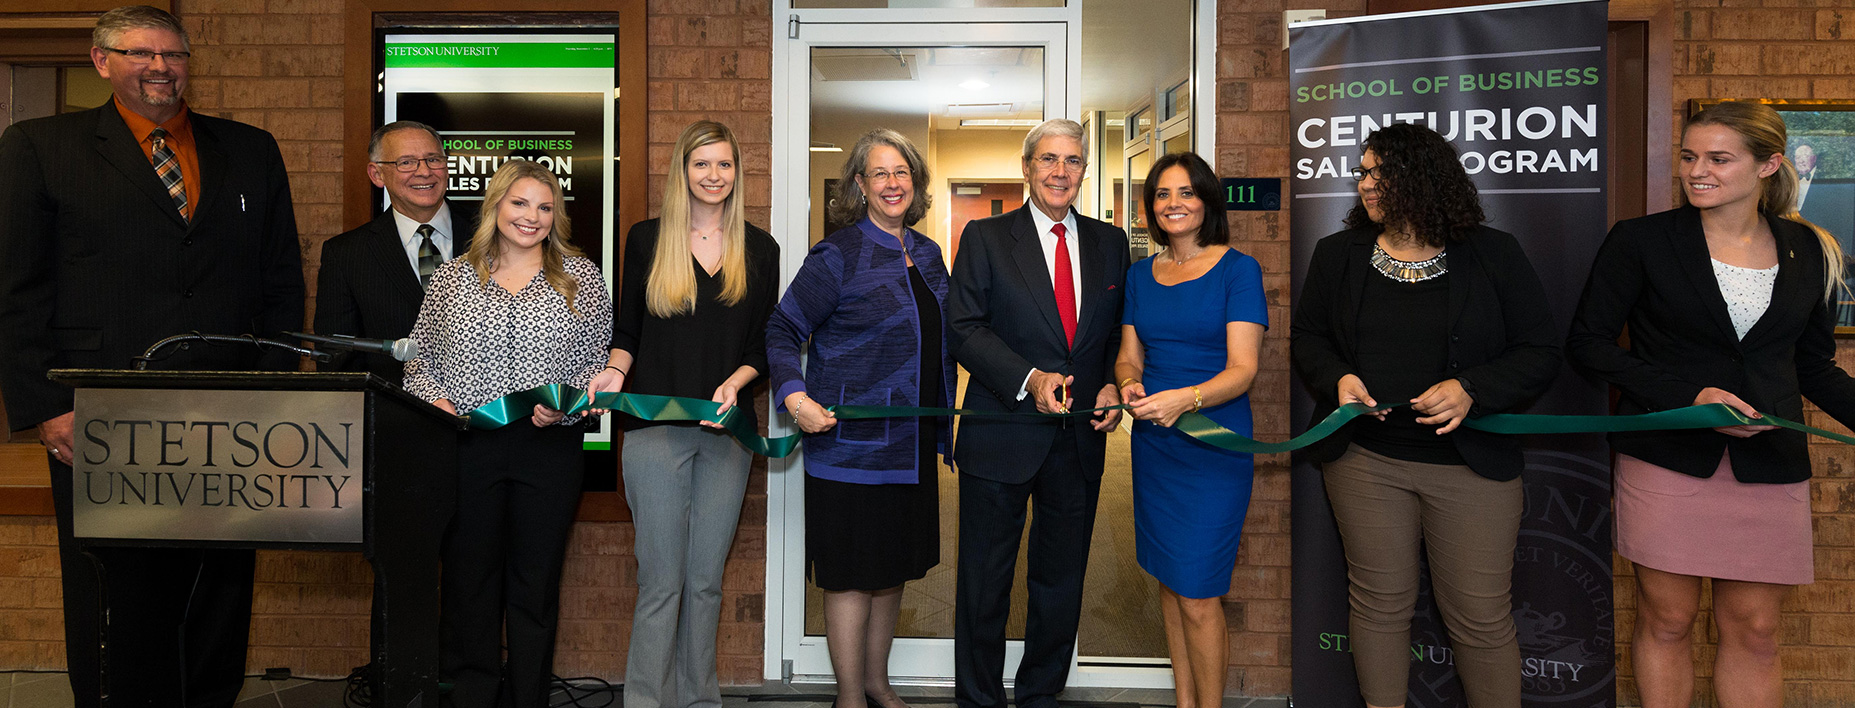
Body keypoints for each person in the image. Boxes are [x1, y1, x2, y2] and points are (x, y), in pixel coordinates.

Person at [0, 6, 303, 706]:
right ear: (101, 61)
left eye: (173, 53)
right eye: (140, 53)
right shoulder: (40, 146)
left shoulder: (251, 149)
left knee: (220, 585)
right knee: (118, 590)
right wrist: (47, 410)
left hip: (231, 416)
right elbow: (16, 291)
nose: (160, 67)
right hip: (100, 414)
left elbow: (282, 282)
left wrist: (272, 394)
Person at [1567, 101, 1855, 708]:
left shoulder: (1809, 249)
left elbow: (1813, 368)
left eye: (1719, 159)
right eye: (1690, 156)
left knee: (1755, 630)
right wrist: (1688, 398)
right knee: (1667, 621)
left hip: (1770, 464)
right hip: (1669, 457)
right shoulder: (1641, 241)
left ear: (1768, 165)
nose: (1698, 170)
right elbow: (1588, 344)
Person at [1289, 122, 1559, 708]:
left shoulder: (1494, 254)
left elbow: (1541, 351)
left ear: (1421, 178)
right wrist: (1338, 378)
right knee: (1378, 605)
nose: (1364, 183)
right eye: (1361, 172)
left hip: (1472, 470)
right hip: (1365, 463)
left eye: (1378, 172)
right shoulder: (1338, 254)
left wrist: (1471, 388)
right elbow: (1308, 337)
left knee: (1481, 619)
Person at [400, 158, 610, 708]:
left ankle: (527, 698)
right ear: (496, 205)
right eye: (520, 203)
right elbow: (417, 365)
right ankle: (471, 695)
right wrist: (439, 401)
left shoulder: (581, 280)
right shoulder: (450, 279)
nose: (531, 217)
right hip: (470, 448)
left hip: (549, 451)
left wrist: (565, 408)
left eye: (544, 208)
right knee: (470, 583)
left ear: (555, 217)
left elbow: (596, 370)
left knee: (534, 584)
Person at [584, 120, 778, 708]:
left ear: (736, 172)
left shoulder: (760, 248)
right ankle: (646, 701)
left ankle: (699, 700)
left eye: (724, 164)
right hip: (653, 432)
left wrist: (737, 384)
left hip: (727, 433)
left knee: (705, 584)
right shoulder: (646, 240)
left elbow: (763, 346)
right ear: (683, 170)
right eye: (702, 164)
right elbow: (628, 330)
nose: (713, 176)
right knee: (661, 582)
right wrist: (614, 372)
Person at [766, 128, 953, 708]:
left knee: (891, 569)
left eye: (903, 173)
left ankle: (877, 681)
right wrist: (795, 399)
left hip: (911, 444)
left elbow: (947, 338)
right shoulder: (837, 255)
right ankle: (849, 696)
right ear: (860, 185)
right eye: (880, 173)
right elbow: (781, 329)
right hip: (849, 448)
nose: (893, 183)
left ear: (915, 183)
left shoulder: (927, 253)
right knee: (850, 574)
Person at [947, 118, 1129, 708]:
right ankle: (978, 699)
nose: (1059, 171)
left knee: (1060, 583)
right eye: (1047, 159)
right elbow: (964, 329)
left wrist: (1108, 387)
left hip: (1078, 442)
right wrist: (1028, 377)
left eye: (1072, 160)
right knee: (985, 584)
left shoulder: (1110, 243)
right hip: (1001, 431)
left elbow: (1114, 337)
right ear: (1026, 168)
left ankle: (1040, 695)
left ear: (1083, 170)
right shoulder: (986, 237)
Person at [1111, 151, 1265, 708]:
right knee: (1170, 587)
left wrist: (1187, 398)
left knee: (1199, 592)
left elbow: (1244, 370)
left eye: (1185, 193)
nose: (1173, 205)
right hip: (1157, 445)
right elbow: (1129, 358)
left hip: (1213, 445)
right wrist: (1129, 384)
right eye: (1161, 195)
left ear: (1206, 202)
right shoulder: (1138, 273)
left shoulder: (1238, 269)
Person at [315, 120, 475, 384]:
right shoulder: (346, 255)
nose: (424, 172)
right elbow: (338, 361)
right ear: (377, 174)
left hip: (491, 415)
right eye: (406, 162)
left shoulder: (493, 234)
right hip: (395, 416)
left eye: (433, 159)